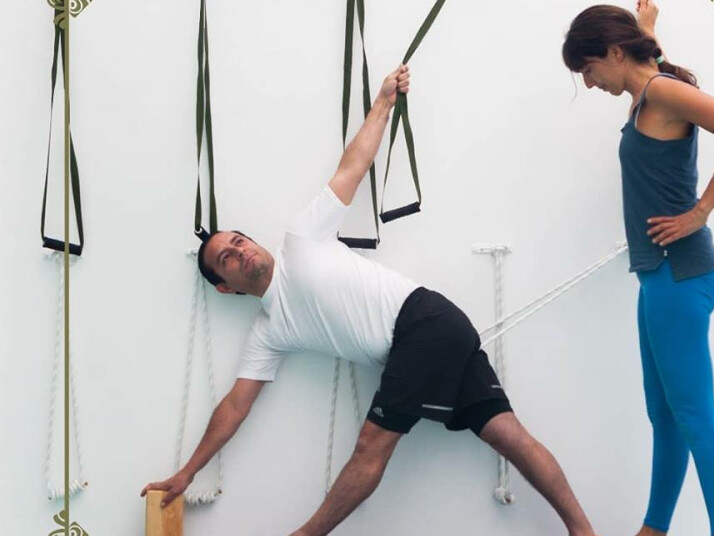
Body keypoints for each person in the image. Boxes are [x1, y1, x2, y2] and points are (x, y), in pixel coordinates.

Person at [141, 65, 599, 536]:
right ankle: (585, 532)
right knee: (508, 435)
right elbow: (235, 407)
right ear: (226, 286)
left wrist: (383, 102)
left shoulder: (302, 238)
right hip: (428, 338)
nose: (240, 251)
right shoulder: (269, 332)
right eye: (227, 258)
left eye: (238, 241)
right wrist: (188, 472)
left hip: (423, 321)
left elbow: (353, 167)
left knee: (370, 446)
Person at [562, 2, 714, 535]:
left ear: (613, 52)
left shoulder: (659, 92)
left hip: (679, 275)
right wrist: (647, 31)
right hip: (660, 277)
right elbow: (652, 70)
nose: (590, 83)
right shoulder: (649, 88)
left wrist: (700, 211)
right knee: (666, 416)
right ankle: (654, 529)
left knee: (695, 417)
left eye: (589, 70)